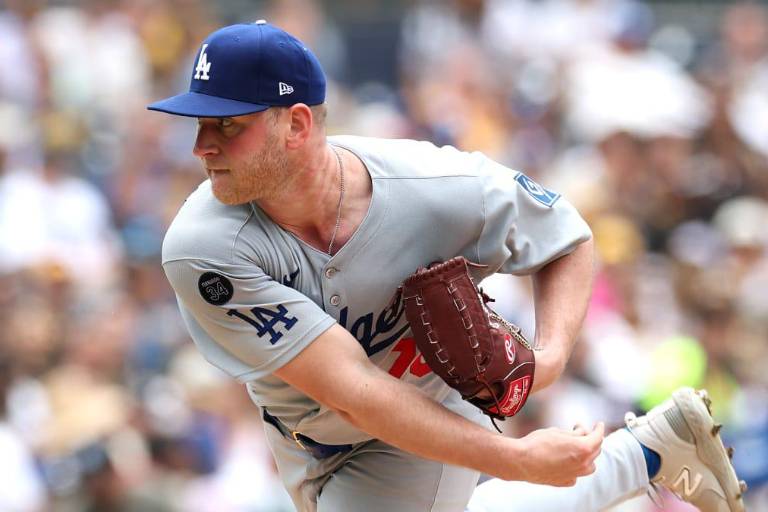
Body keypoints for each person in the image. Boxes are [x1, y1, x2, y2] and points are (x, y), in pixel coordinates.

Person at [148, 21, 746, 512]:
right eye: (201, 123)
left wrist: (551, 360)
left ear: (298, 125)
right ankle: (646, 453)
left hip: (420, 416)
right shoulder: (205, 247)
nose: (203, 145)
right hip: (305, 438)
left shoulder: (432, 185)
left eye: (229, 125)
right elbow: (351, 391)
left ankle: (640, 456)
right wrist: (518, 461)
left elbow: (565, 234)